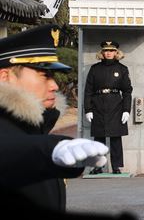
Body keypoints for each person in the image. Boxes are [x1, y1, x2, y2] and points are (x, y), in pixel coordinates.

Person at [0, 24, 109, 214]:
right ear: (4, 77)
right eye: (44, 75)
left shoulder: (31, 127)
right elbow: (10, 148)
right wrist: (50, 149)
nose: (54, 86)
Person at [84, 41, 132, 174]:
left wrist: (126, 110)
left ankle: (116, 167)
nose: (109, 53)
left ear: (116, 53)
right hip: (98, 105)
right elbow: (88, 91)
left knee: (116, 138)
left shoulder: (122, 69)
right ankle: (97, 166)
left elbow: (127, 91)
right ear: (102, 53)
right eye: (106, 51)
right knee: (99, 138)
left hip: (116, 105)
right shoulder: (95, 69)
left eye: (111, 50)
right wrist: (88, 109)